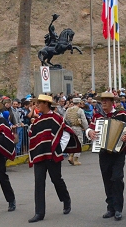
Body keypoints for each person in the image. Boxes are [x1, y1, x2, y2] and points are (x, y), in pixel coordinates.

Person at [27, 94, 81, 223]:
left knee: (56, 180)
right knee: (39, 183)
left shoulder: (57, 119)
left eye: (39, 103)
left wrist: (57, 150)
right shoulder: (38, 121)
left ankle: (66, 199)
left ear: (46, 104)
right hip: (40, 156)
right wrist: (31, 126)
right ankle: (39, 212)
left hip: (53, 156)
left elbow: (66, 133)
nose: (37, 105)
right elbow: (32, 135)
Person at [85, 92, 126, 221]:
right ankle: (110, 207)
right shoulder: (97, 117)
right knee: (107, 179)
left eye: (107, 100)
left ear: (112, 102)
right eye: (102, 100)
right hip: (103, 152)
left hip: (119, 152)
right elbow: (89, 129)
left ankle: (118, 208)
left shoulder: (122, 115)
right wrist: (89, 132)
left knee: (117, 178)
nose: (104, 102)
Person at [64, 97, 88, 166]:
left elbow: (64, 119)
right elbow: (84, 120)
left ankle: (71, 155)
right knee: (79, 142)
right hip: (77, 127)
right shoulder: (80, 110)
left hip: (69, 128)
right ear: (79, 103)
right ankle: (76, 159)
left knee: (72, 142)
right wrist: (87, 128)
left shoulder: (68, 110)